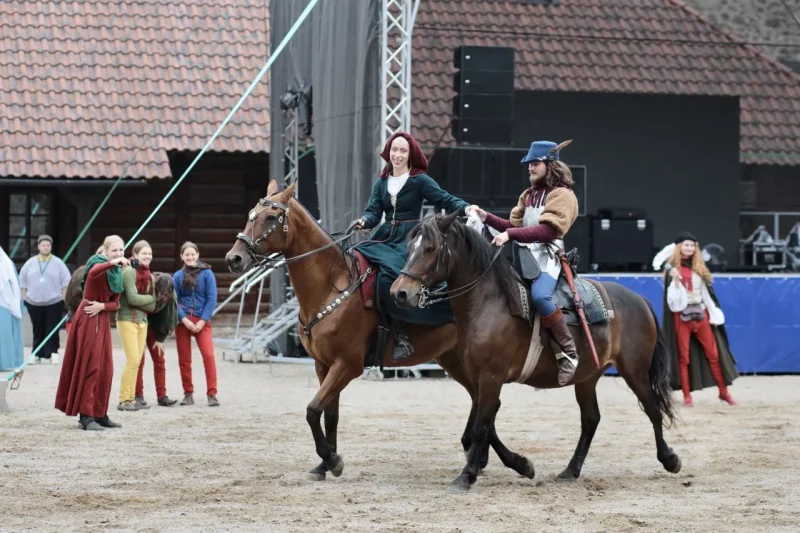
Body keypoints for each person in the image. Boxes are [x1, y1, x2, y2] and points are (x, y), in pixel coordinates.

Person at [353, 131, 476, 361]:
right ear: (388, 153)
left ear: (410, 155)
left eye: (402, 151)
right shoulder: (381, 182)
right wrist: (363, 221)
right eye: (394, 150)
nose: (397, 155)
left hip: (409, 239)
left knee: (389, 278)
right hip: (383, 236)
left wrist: (466, 207)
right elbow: (373, 212)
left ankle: (401, 335)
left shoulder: (419, 180)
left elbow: (444, 199)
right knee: (357, 263)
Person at [469, 140, 580, 385]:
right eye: (529, 164)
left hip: (548, 258)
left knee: (540, 297)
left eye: (535, 163)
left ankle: (568, 353)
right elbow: (514, 226)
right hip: (525, 258)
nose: (530, 168)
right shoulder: (528, 195)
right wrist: (486, 216)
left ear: (550, 164)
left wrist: (510, 235)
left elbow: (548, 231)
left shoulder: (563, 194)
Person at [55, 235, 127, 430]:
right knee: (91, 366)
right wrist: (112, 262)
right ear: (105, 251)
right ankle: (85, 417)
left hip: (101, 318)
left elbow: (116, 303)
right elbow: (94, 272)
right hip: (87, 319)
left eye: (121, 250)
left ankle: (100, 413)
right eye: (114, 250)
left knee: (106, 367)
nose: (119, 254)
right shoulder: (96, 265)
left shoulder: (117, 272)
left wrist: (103, 305)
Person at [663, 232, 738, 407]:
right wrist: (675, 281)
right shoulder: (672, 270)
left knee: (714, 355)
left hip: (701, 314)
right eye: (686, 244)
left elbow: (706, 294)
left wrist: (713, 313)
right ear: (679, 247)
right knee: (683, 357)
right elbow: (673, 302)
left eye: (692, 245)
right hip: (681, 316)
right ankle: (687, 397)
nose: (689, 248)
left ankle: (723, 392)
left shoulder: (699, 268)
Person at [173, 242, 219, 407]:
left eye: (193, 254)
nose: (190, 257)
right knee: (184, 359)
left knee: (208, 356)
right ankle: (188, 393)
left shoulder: (207, 274)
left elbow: (211, 298)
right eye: (187, 255)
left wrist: (202, 321)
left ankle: (212, 393)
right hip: (183, 321)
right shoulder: (177, 276)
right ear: (182, 257)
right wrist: (184, 319)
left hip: (201, 320)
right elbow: (174, 299)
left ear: (197, 255)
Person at [116, 240, 157, 412]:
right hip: (127, 319)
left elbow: (152, 307)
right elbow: (132, 299)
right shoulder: (129, 272)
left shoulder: (150, 276)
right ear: (135, 255)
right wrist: (151, 299)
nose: (147, 256)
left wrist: (149, 301)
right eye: (143, 253)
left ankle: (131, 398)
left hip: (143, 321)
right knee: (132, 360)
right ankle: (124, 399)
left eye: (149, 253)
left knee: (137, 361)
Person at [18, 235, 71, 364]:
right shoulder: (30, 263)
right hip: (33, 302)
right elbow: (22, 282)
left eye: (48, 245)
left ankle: (53, 352)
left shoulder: (58, 263)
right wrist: (24, 299)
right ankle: (36, 353)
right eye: (43, 245)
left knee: (52, 328)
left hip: (54, 302)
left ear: (51, 247)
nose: (46, 247)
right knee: (38, 328)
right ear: (38, 246)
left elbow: (66, 283)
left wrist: (64, 301)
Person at [135, 273, 180, 407]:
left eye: (166, 293)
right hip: (141, 326)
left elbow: (170, 317)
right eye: (161, 292)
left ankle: (162, 396)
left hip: (156, 331)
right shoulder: (147, 287)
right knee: (139, 361)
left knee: (159, 361)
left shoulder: (171, 297)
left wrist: (161, 338)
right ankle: (138, 395)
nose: (163, 295)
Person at [0, 246, 24, 373]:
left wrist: (16, 306)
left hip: (4, 303)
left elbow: (15, 286)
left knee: (3, 334)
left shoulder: (7, 264)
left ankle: (4, 362)